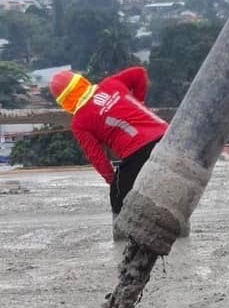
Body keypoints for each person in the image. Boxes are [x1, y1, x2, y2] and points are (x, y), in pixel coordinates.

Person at [50, 66, 168, 241]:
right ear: (82, 81)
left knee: (118, 196)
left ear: (63, 102)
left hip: (137, 150)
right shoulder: (110, 84)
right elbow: (139, 73)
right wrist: (138, 103)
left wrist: (112, 180)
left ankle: (122, 239)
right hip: (167, 135)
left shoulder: (80, 122)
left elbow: (96, 157)